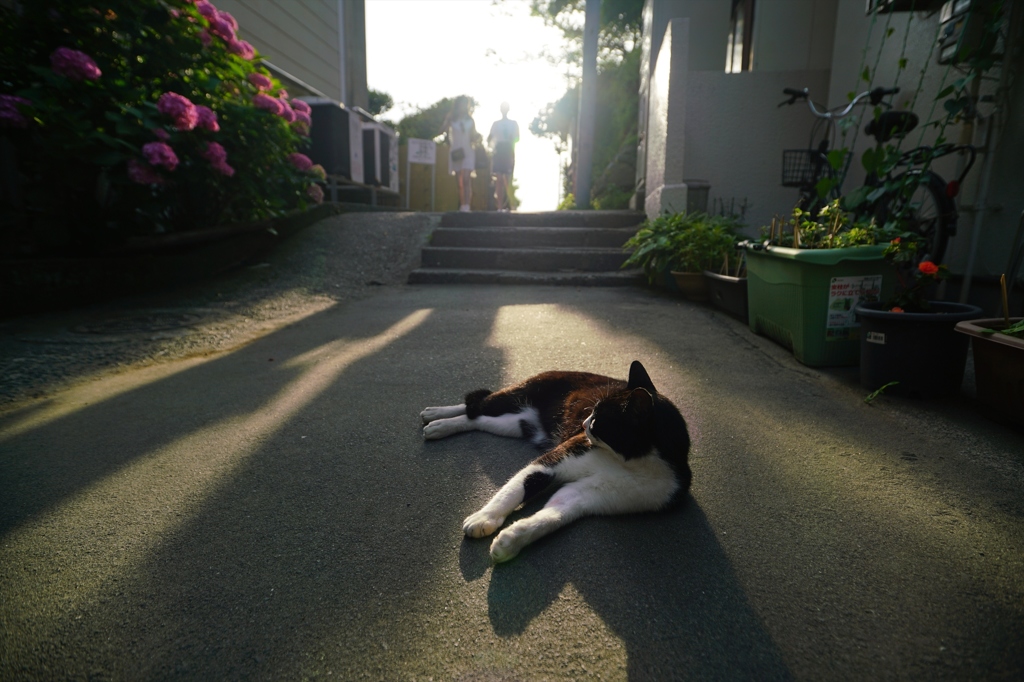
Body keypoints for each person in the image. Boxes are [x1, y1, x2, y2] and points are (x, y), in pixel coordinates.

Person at [442, 96, 477, 212]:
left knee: (467, 178)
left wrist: (477, 138)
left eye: (466, 104)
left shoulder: (470, 120)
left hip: (467, 151)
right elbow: (441, 131)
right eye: (462, 104)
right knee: (460, 181)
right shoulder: (452, 119)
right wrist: (447, 121)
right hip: (456, 151)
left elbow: (474, 136)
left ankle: (467, 205)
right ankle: (462, 205)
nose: (464, 106)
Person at [488, 102, 520, 211]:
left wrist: (511, 141)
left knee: (508, 179)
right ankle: (500, 206)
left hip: (508, 149)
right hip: (498, 149)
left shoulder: (513, 123)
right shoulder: (496, 124)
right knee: (499, 179)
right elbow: (490, 137)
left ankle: (511, 204)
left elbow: (517, 138)